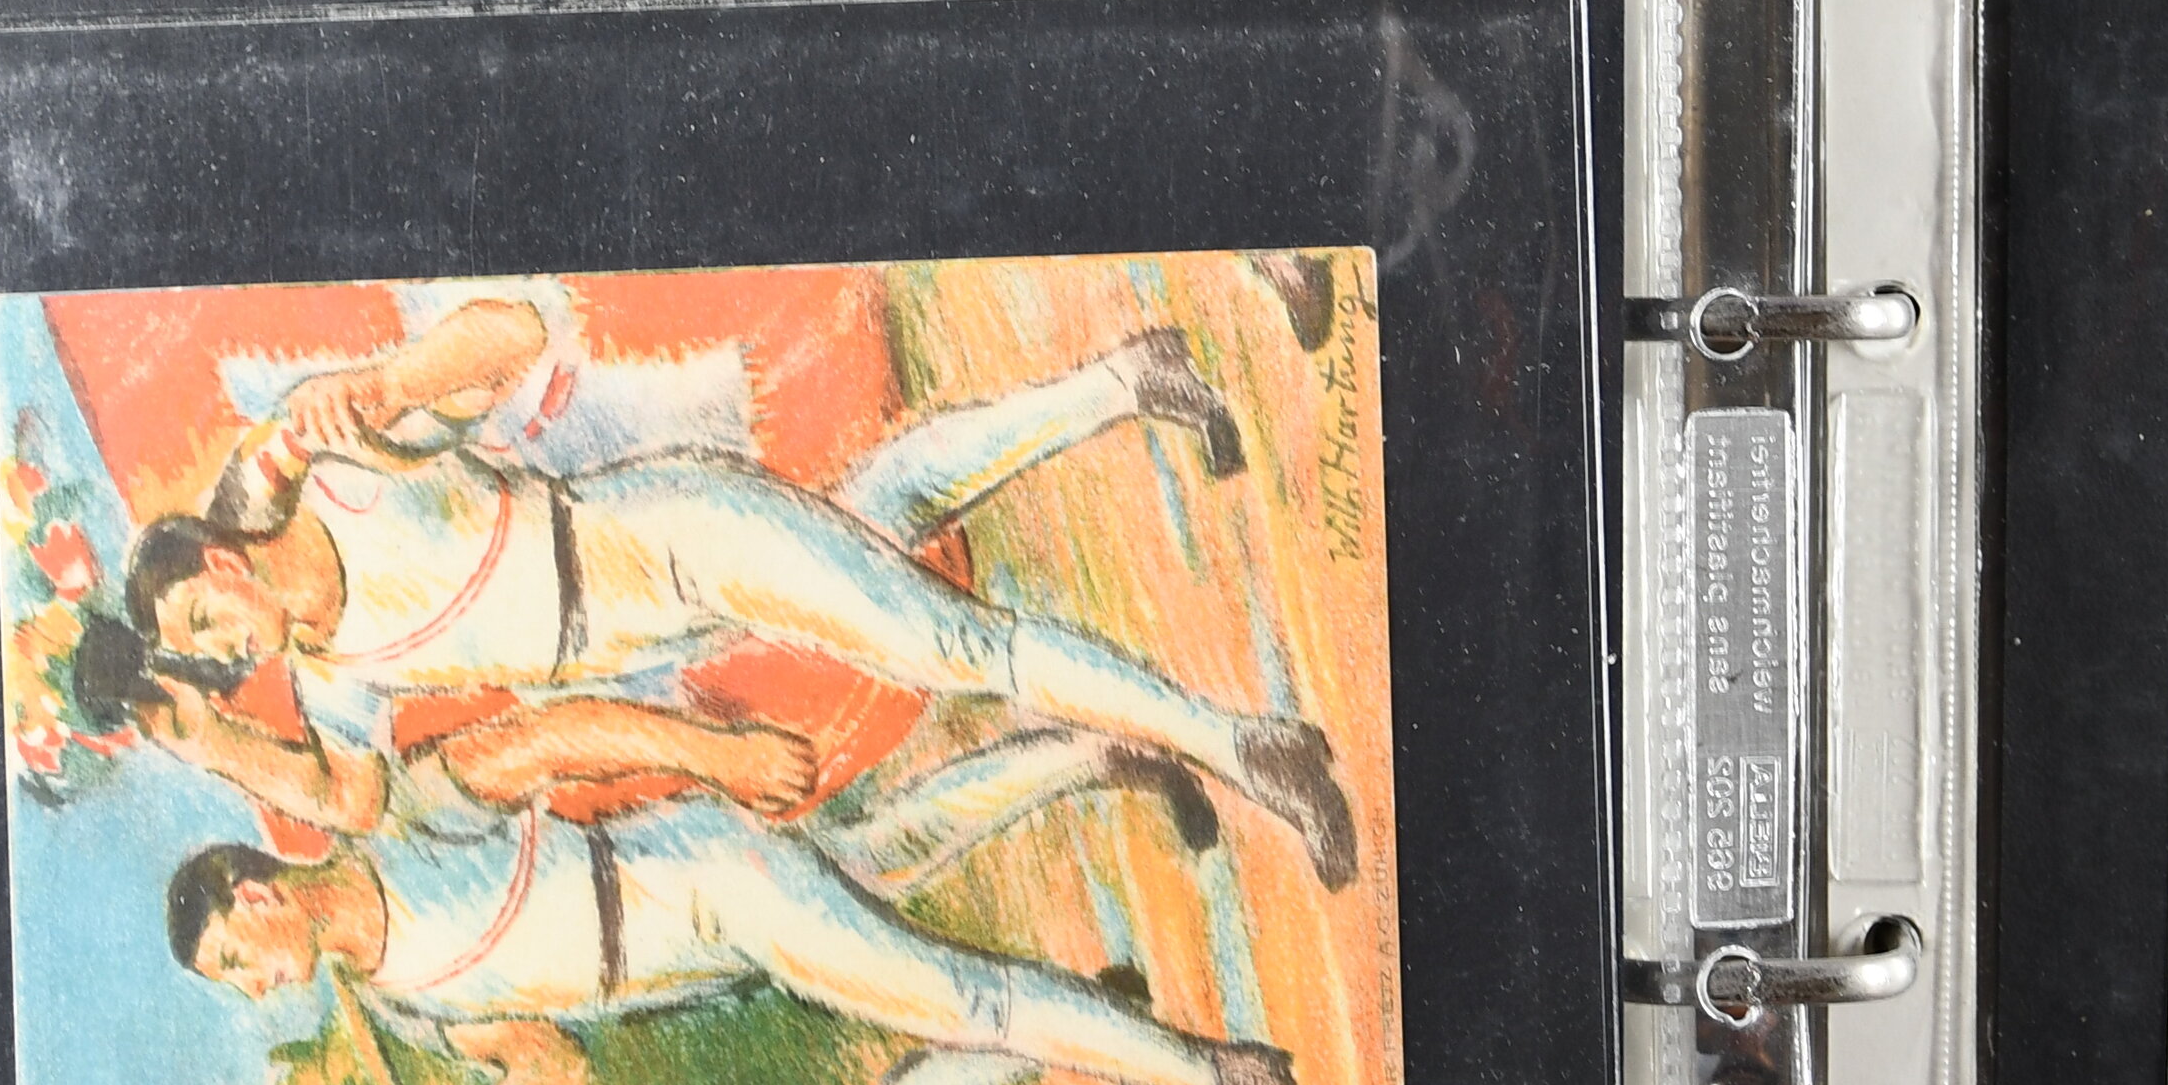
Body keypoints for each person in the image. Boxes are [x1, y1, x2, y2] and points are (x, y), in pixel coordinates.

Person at [86, 288, 1361, 884]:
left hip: (668, 533)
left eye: (204, 618)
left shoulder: (347, 474)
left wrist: (387, 383)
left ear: (217, 560)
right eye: (208, 652)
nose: (228, 645)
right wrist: (208, 741)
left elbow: (513, 334)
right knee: (890, 509)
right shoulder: (332, 679)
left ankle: (1251, 746)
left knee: (952, 646)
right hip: (655, 636)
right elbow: (352, 802)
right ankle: (1132, 375)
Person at [166, 761, 1317, 1085]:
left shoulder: (396, 820)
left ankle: (1231, 1079)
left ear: (257, 897)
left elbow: (551, 741)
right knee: (896, 850)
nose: (255, 988)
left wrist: (709, 749)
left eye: (235, 964)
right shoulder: (402, 1003)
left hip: (700, 875)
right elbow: (547, 1069)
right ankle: (1100, 754)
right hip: (698, 964)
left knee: (952, 995)